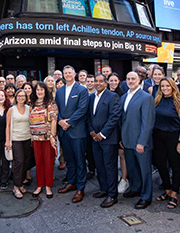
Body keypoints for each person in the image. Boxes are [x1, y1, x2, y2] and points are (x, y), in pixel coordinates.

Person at [151, 78, 180, 209]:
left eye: (168, 86)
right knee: (161, 165)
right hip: (158, 137)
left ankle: (174, 194)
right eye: (162, 86)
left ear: (173, 86)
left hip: (174, 136)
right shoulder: (157, 100)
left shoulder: (179, 101)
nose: (165, 88)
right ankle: (167, 190)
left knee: (176, 165)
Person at [120, 71, 156, 209]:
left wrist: (142, 142)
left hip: (141, 141)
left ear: (139, 80)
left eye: (133, 78)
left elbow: (147, 122)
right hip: (127, 140)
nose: (130, 81)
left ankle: (146, 197)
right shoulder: (123, 97)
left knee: (144, 170)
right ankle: (135, 188)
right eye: (128, 78)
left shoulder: (146, 97)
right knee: (132, 168)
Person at [55, 65, 89, 203]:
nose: (67, 75)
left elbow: (82, 109)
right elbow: (55, 108)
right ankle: (71, 182)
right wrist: (60, 121)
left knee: (80, 161)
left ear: (74, 74)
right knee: (69, 160)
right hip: (64, 132)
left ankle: (80, 188)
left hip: (77, 131)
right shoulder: (59, 91)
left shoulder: (82, 90)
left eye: (70, 72)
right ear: (63, 75)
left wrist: (68, 123)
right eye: (65, 73)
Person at [88, 74, 122, 208]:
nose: (97, 83)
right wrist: (91, 131)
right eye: (96, 81)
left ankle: (112, 195)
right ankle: (103, 189)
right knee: (99, 165)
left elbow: (114, 117)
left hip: (108, 138)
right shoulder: (91, 97)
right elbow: (89, 116)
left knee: (109, 166)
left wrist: (102, 134)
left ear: (106, 83)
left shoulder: (112, 96)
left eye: (101, 81)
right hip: (94, 138)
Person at [29, 83, 58, 199]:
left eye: (42, 90)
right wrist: (31, 134)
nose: (39, 92)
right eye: (37, 90)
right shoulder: (32, 104)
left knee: (48, 162)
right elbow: (30, 121)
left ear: (45, 91)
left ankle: (48, 186)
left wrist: (52, 136)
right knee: (39, 162)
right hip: (36, 138)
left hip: (47, 138)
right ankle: (40, 185)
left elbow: (54, 121)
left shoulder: (50, 104)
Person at [6, 90, 31, 199]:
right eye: (19, 96)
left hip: (27, 138)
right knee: (19, 161)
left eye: (23, 96)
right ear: (16, 97)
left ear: (26, 97)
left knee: (25, 162)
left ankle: (20, 183)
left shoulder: (29, 108)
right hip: (16, 139)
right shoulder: (11, 110)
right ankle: (16, 186)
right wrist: (7, 141)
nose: (21, 98)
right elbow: (7, 126)